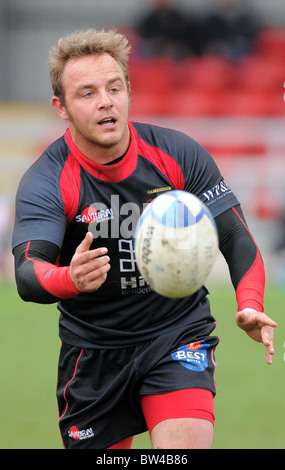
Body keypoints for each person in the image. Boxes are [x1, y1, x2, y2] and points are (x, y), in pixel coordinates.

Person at [12, 28, 276, 450]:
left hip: (176, 333)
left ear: (128, 91)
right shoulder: (47, 179)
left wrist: (249, 303)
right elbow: (27, 273)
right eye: (87, 93)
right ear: (60, 108)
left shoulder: (178, 154)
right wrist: (69, 278)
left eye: (115, 88)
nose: (105, 101)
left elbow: (235, 235)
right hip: (93, 353)